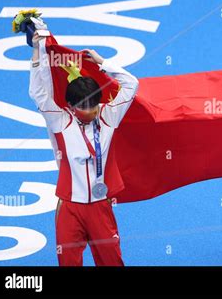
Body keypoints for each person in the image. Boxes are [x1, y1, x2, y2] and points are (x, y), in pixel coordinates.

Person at [28, 31, 139, 266]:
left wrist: (102, 63)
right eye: (83, 106)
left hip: (100, 207)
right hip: (69, 208)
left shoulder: (110, 116)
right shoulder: (60, 121)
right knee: (68, 262)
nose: (90, 110)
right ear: (70, 105)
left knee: (112, 262)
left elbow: (132, 84)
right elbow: (38, 93)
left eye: (93, 104)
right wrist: (37, 52)